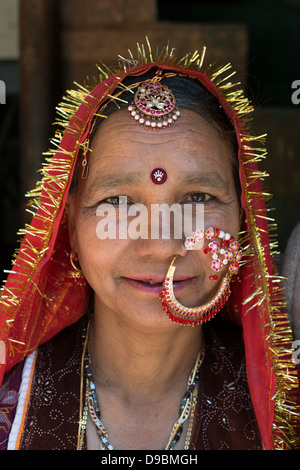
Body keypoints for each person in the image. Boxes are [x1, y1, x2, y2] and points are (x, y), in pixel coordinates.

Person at [0, 41, 299, 450]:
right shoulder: (10, 403)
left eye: (198, 199)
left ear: (245, 217)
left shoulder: (284, 402)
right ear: (69, 221)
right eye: (119, 203)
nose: (161, 245)